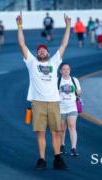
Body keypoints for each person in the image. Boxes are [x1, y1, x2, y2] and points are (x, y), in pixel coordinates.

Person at [16, 12, 71, 170]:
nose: (41, 51)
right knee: (40, 133)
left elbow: (63, 45)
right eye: (39, 50)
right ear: (36, 54)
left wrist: (68, 26)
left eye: (44, 50)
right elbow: (22, 45)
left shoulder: (54, 61)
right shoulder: (31, 62)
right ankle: (41, 159)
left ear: (47, 53)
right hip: (38, 102)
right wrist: (20, 26)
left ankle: (57, 159)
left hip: (54, 102)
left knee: (56, 132)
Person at [58, 63, 82, 157]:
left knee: (72, 127)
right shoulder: (58, 81)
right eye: (63, 69)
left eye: (67, 69)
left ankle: (73, 148)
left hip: (72, 106)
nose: (66, 71)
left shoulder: (74, 80)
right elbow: (52, 93)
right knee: (62, 128)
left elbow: (79, 92)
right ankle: (62, 145)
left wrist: (78, 92)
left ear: (70, 70)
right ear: (60, 71)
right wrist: (58, 91)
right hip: (61, 107)